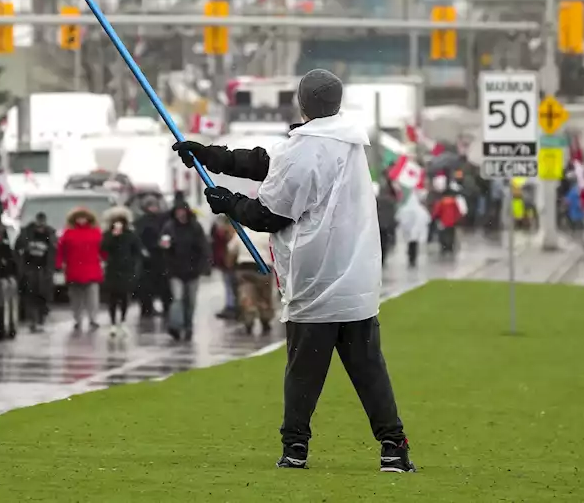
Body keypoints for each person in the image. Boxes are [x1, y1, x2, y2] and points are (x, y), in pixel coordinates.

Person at [172, 68, 416, 474]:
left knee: (303, 373)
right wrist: (210, 155)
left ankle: (295, 449)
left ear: (303, 103)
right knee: (369, 371)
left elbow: (269, 214)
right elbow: (269, 162)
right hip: (356, 281)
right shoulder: (347, 139)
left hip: (316, 280)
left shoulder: (307, 149)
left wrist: (226, 201)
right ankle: (394, 448)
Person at [159, 198, 209, 342]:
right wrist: (165, 247)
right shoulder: (169, 227)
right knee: (178, 298)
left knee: (190, 301)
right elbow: (163, 245)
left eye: (182, 211)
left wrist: (203, 266)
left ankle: (188, 327)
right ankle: (175, 326)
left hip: (193, 271)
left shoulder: (196, 227)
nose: (180, 214)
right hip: (175, 271)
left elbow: (203, 248)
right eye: (177, 211)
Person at [56, 208, 104, 332]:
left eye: (83, 218)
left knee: (92, 297)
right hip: (74, 269)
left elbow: (103, 249)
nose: (81, 220)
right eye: (79, 218)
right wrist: (59, 263)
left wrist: (105, 259)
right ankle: (78, 319)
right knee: (76, 297)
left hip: (91, 268)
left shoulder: (96, 232)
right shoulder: (68, 233)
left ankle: (93, 318)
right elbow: (61, 250)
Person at [100, 206, 143, 336]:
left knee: (124, 297)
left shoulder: (131, 235)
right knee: (112, 298)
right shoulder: (108, 234)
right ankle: (113, 323)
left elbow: (137, 251)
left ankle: (123, 321)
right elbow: (103, 248)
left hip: (126, 270)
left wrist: (135, 266)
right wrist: (113, 236)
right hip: (112, 269)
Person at [228, 222, 275, 336]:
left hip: (244, 268)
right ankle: (265, 320)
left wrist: (230, 266)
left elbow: (231, 249)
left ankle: (248, 321)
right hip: (264, 267)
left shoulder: (241, 233)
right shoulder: (266, 233)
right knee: (264, 297)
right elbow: (274, 250)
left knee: (246, 295)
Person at [14, 212, 57, 332]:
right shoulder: (26, 233)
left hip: (44, 270)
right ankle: (33, 321)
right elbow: (17, 248)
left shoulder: (50, 234)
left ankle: (40, 320)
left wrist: (52, 268)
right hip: (30, 268)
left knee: (43, 296)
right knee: (30, 296)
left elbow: (54, 252)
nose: (40, 226)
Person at [134, 196, 170, 318]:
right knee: (146, 286)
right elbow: (137, 238)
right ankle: (147, 308)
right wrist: (142, 250)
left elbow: (167, 234)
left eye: (154, 205)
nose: (153, 208)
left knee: (164, 285)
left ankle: (166, 307)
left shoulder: (164, 220)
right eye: (150, 206)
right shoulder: (141, 221)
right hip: (146, 259)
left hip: (162, 256)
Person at [210, 210, 238, 320]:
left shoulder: (228, 232)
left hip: (229, 261)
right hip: (226, 261)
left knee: (230, 285)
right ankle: (232, 306)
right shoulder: (231, 231)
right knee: (230, 285)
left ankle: (232, 307)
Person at [395, 188, 430, 268]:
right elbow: (427, 219)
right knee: (414, 245)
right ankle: (413, 259)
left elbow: (399, 218)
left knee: (410, 245)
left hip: (408, 232)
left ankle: (411, 258)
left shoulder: (405, 209)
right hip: (416, 233)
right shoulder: (420, 209)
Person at [430, 182, 466, 256]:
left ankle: (444, 248)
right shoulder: (454, 201)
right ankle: (450, 248)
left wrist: (434, 218)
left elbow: (437, 211)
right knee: (451, 235)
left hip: (443, 222)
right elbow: (457, 211)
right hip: (452, 222)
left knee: (443, 235)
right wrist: (458, 219)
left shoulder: (441, 202)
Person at [375, 179, 398, 266]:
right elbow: (393, 214)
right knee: (385, 242)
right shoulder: (391, 201)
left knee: (380, 242)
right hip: (387, 225)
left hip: (379, 224)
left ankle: (381, 258)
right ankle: (383, 258)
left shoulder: (377, 200)